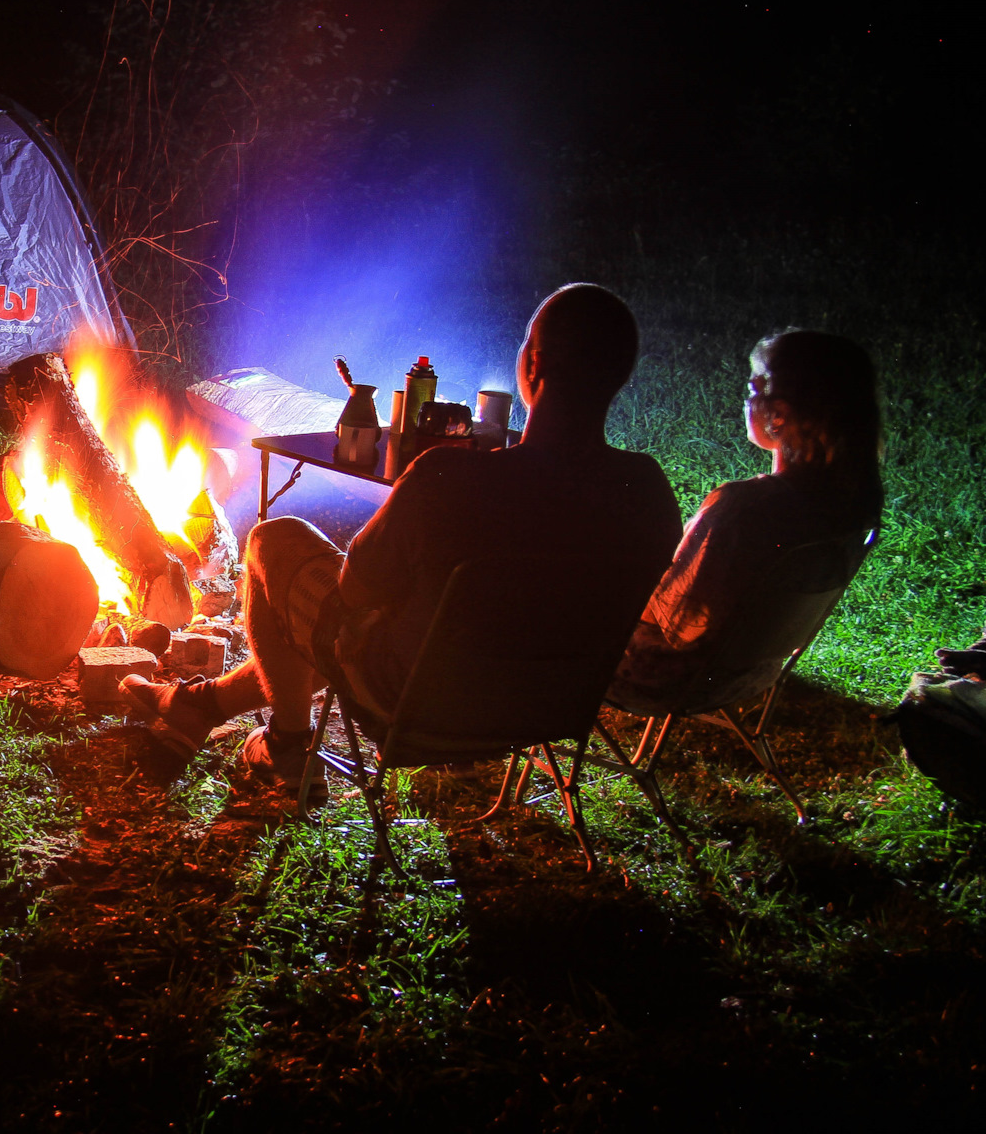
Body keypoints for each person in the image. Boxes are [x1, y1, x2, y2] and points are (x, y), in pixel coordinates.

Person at [123, 283, 684, 789]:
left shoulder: (449, 476)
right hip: (546, 713)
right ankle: (200, 704)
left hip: (413, 701)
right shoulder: (650, 494)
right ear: (618, 377)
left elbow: (357, 594)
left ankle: (289, 745)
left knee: (274, 542)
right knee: (389, 612)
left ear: (532, 367)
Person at [607, 329, 884, 713]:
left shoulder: (743, 509)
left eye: (755, 388)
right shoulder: (855, 506)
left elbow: (674, 623)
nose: (746, 397)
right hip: (752, 675)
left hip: (659, 677)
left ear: (780, 415)